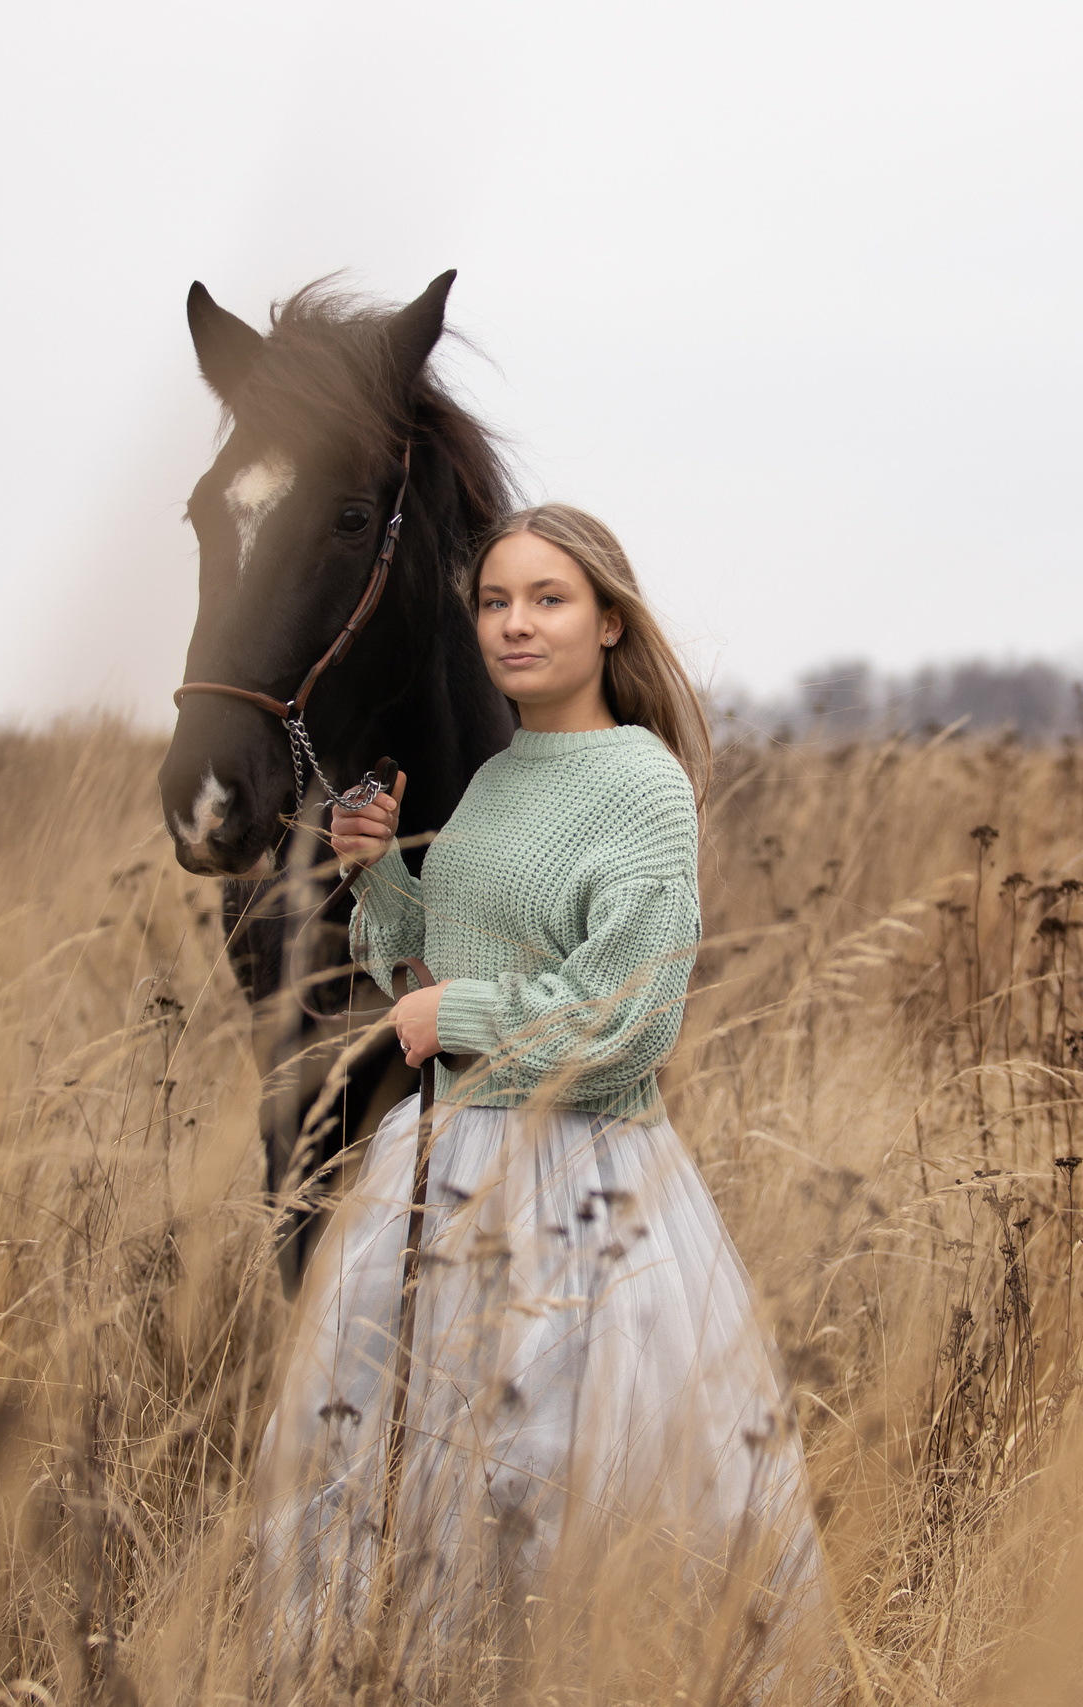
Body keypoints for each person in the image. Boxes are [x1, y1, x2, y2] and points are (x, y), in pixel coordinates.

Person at [248, 505, 833, 1700]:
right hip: (446, 1157)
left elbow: (622, 1025)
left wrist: (448, 1016)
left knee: (554, 1477)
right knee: (408, 1472)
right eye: (496, 602)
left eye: (548, 599)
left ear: (609, 621)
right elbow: (433, 963)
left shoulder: (641, 788)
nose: (516, 624)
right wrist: (385, 876)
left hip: (582, 1186)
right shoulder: (501, 776)